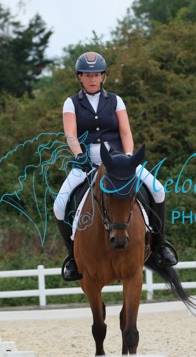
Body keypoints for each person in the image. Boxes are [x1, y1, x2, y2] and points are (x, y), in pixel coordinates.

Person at [53, 50, 178, 281]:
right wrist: (79, 155)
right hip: (86, 161)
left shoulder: (115, 100)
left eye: (97, 75)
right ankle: (73, 258)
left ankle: (160, 245)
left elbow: (126, 132)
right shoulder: (71, 103)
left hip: (119, 161)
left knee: (159, 190)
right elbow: (70, 134)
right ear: (80, 77)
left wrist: (128, 157)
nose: (92, 79)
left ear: (103, 77)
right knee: (59, 206)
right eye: (87, 75)